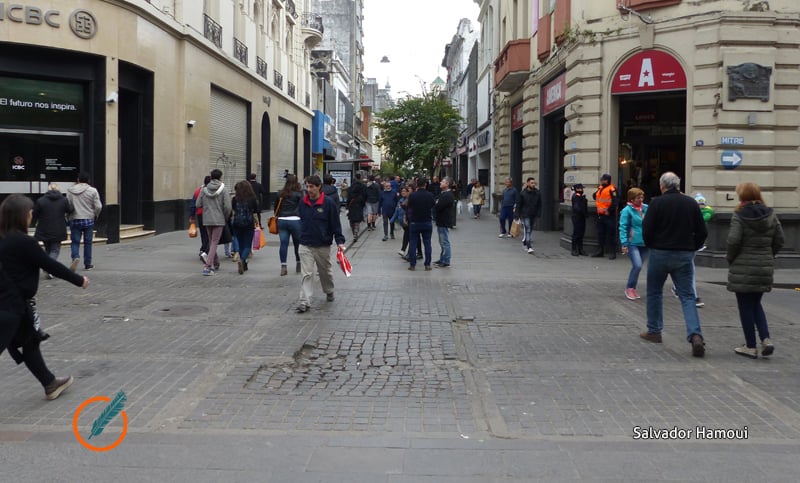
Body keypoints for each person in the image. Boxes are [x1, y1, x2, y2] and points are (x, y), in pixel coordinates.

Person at [0, 194, 89, 400]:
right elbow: (50, 266)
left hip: (16, 306)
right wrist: (79, 280)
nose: (32, 215)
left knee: (30, 342)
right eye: (30, 212)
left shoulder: (4, 239)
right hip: (9, 307)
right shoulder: (24, 242)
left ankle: (49, 383)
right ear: (21, 216)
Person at [641, 172, 708, 357]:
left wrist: (651, 245)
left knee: (654, 292)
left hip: (660, 253)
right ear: (678, 185)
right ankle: (695, 335)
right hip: (684, 254)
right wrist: (692, 247)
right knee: (687, 296)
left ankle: (654, 331)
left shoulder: (656, 203)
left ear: (662, 186)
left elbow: (647, 229)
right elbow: (702, 231)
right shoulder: (690, 203)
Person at [726, 182, 784, 359]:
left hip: (743, 265)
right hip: (764, 266)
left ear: (742, 196)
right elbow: (780, 239)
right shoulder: (771, 214)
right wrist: (768, 255)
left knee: (745, 306)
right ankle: (766, 339)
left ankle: (750, 346)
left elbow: (733, 241)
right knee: (756, 303)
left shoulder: (739, 215)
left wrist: (731, 258)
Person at [296, 175, 346, 313]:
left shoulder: (328, 203)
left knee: (325, 272)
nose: (309, 189)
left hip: (323, 244)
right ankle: (304, 301)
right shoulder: (303, 202)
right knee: (307, 273)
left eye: (311, 186)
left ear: (319, 187)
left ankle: (329, 290)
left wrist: (340, 241)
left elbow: (335, 223)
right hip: (305, 243)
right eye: (307, 186)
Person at [196, 169, 231, 276]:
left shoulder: (204, 190)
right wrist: (225, 217)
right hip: (219, 219)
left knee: (212, 242)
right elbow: (227, 207)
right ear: (220, 177)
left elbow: (198, 204)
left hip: (207, 219)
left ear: (211, 177)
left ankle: (216, 263)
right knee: (214, 242)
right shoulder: (223, 190)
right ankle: (207, 267)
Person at [66, 172, 103, 271]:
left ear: (78, 180)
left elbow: (68, 205)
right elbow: (99, 206)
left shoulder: (70, 191)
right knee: (88, 242)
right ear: (88, 180)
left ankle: (75, 257)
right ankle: (87, 264)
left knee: (75, 242)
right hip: (88, 219)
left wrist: (68, 216)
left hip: (74, 218)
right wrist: (95, 215)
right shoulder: (93, 191)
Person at [32, 183, 74, 268]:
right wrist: (72, 206)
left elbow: (35, 214)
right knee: (55, 250)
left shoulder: (41, 200)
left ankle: (48, 267)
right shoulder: (63, 200)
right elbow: (69, 210)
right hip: (58, 229)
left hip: (44, 229)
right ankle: (49, 268)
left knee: (48, 249)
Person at [619, 188, 648, 300]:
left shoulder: (646, 208)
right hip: (633, 242)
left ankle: (633, 288)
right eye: (638, 198)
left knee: (638, 266)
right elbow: (623, 227)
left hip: (646, 243)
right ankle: (630, 288)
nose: (641, 199)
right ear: (632, 199)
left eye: (642, 197)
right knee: (637, 265)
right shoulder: (627, 210)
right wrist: (624, 243)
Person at [275, 175, 303, 276]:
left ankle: (283, 266)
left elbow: (275, 208)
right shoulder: (299, 194)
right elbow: (302, 207)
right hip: (295, 220)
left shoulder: (280, 193)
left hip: (282, 220)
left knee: (283, 244)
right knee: (297, 244)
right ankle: (299, 264)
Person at [407, 178, 436, 271]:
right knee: (427, 243)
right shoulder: (430, 195)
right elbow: (433, 205)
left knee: (413, 243)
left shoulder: (412, 196)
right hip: (427, 221)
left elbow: (409, 206)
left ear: (417, 185)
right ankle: (427, 264)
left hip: (415, 222)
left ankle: (412, 264)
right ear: (425, 185)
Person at [231, 181, 259, 275]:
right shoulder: (252, 199)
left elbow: (233, 211)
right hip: (248, 224)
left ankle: (244, 263)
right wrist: (257, 223)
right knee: (247, 245)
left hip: (237, 224)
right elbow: (255, 212)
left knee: (241, 244)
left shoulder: (235, 199)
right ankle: (242, 260)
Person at [591, 173, 619, 259]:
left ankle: (612, 252)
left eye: (602, 180)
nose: (601, 181)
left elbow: (615, 202)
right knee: (601, 234)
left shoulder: (612, 189)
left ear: (606, 180)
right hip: (600, 215)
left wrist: (609, 210)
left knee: (611, 234)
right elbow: (594, 196)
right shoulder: (600, 188)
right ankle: (600, 251)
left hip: (609, 216)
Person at [515, 177, 542, 255]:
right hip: (525, 214)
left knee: (530, 228)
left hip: (533, 214)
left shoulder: (537, 192)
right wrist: (517, 214)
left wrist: (539, 213)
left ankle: (526, 241)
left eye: (534, 183)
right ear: (527, 183)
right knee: (528, 229)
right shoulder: (523, 193)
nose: (533, 184)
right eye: (531, 183)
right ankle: (529, 246)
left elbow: (540, 204)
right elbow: (519, 204)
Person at [190, 176, 212, 264]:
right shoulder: (213, 191)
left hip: (200, 214)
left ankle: (203, 249)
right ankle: (205, 250)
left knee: (203, 233)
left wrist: (192, 216)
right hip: (210, 214)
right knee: (210, 233)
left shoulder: (198, 191)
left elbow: (193, 204)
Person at [434, 177, 455, 268]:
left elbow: (438, 206)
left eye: (442, 182)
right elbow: (436, 203)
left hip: (444, 221)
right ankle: (442, 258)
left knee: (444, 241)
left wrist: (437, 203)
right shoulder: (443, 194)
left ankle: (446, 260)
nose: (440, 182)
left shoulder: (448, 195)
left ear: (447, 184)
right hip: (440, 221)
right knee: (441, 241)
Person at [347, 173, 366, 242]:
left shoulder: (351, 187)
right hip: (359, 204)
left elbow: (348, 197)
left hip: (352, 204)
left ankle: (354, 232)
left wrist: (347, 205)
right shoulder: (363, 186)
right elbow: (365, 196)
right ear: (360, 177)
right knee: (357, 220)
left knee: (352, 220)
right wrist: (363, 203)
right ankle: (356, 232)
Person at [571, 184, 588, 256]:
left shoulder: (580, 197)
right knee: (577, 233)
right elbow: (577, 207)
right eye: (581, 189)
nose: (582, 190)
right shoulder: (576, 197)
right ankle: (574, 249)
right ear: (577, 189)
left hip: (582, 217)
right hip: (577, 217)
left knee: (581, 233)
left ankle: (580, 249)